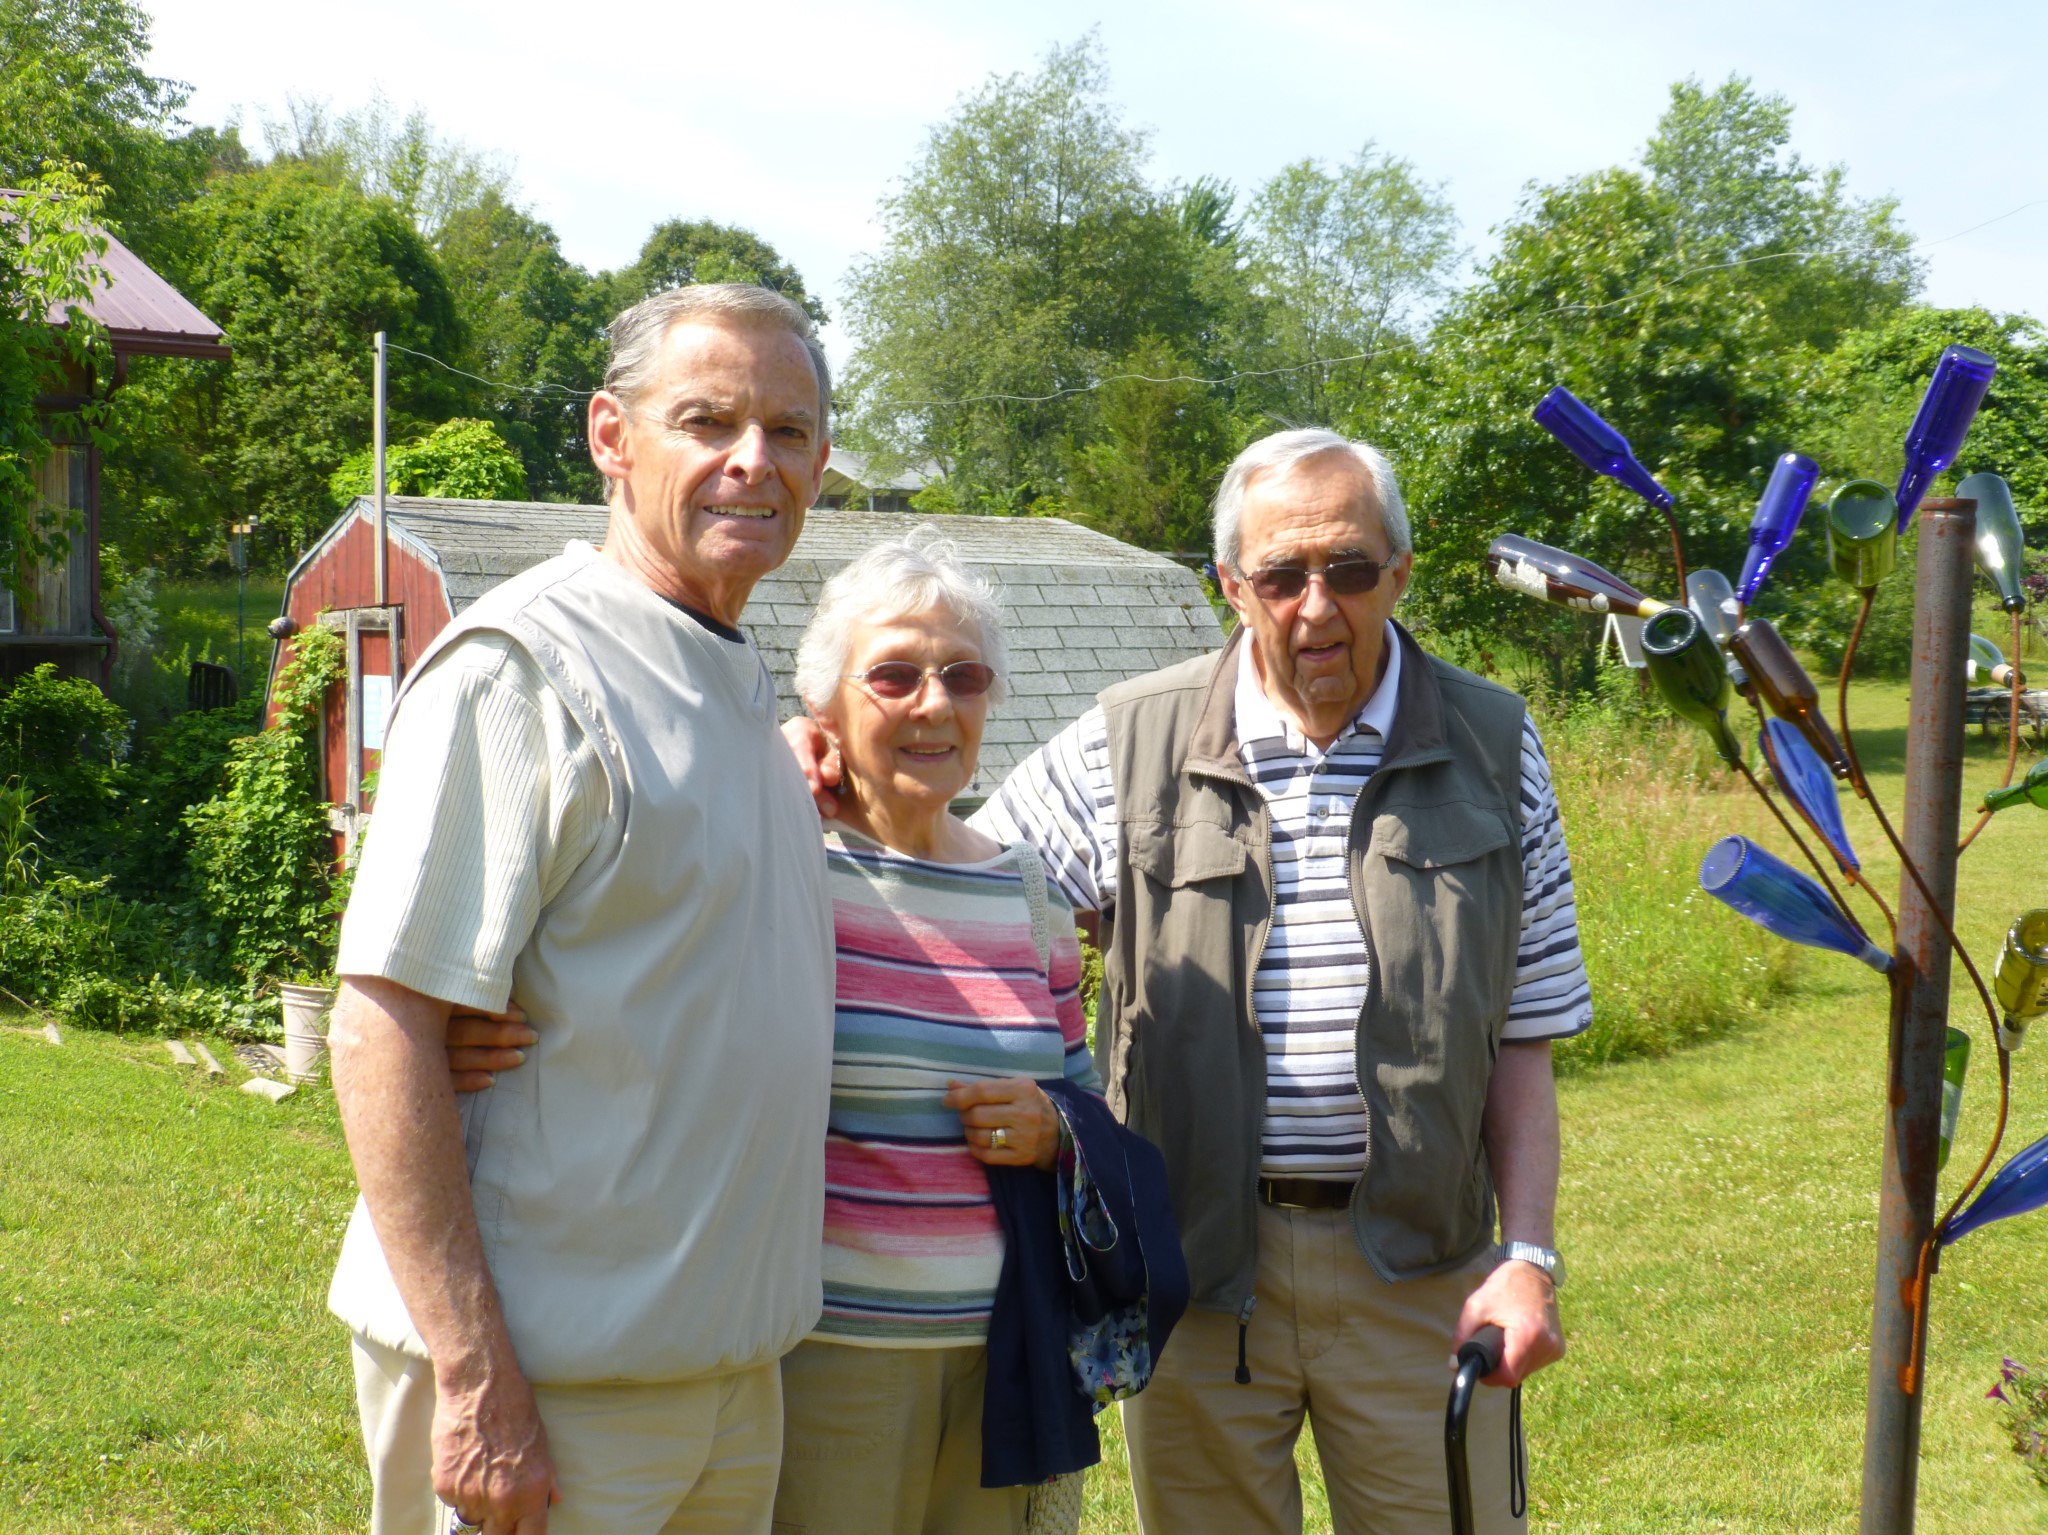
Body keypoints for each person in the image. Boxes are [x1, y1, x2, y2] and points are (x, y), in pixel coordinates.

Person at [798, 427, 1588, 1534]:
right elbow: (950, 864)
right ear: (1230, 584)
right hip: (1197, 1275)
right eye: (1280, 574)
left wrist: (1527, 1256)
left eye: (1349, 568)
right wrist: (809, 753)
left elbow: (1524, 1033)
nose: (1316, 606)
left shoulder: (1495, 746)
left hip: (1423, 1269)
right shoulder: (1123, 744)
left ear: (1400, 571)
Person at [451, 529, 1110, 1535]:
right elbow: (639, 992)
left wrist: (1054, 1126)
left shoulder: (1027, 894)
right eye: (893, 675)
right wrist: (465, 1020)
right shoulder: (778, 860)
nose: (934, 704)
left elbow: (1083, 1095)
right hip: (825, 1352)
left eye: (963, 676)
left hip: (1006, 1355)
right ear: (826, 705)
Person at [325, 282, 838, 1535]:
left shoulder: (734, 675)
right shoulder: (523, 668)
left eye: (787, 429)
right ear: (612, 435)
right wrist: (475, 1378)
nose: (752, 459)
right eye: (706, 420)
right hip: (544, 1392)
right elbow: (382, 1024)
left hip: (721, 1377)